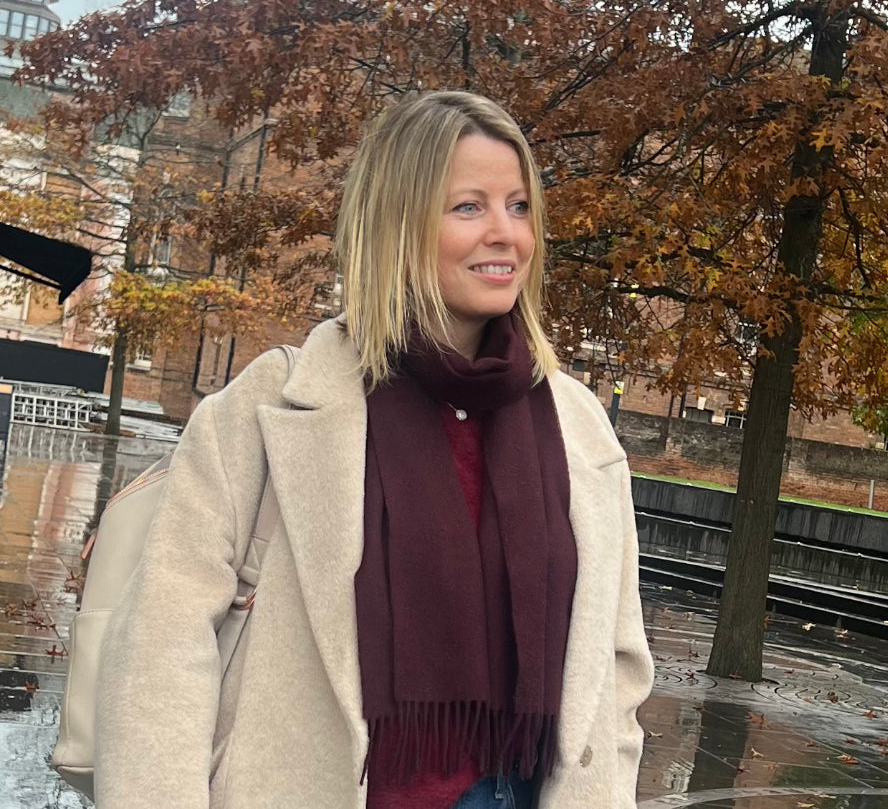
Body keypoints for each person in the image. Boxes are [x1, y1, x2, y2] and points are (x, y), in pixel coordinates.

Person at [94, 91, 654, 808]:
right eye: (468, 207)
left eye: (519, 207)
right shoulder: (270, 407)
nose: (505, 234)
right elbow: (160, 647)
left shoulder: (579, 430)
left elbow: (618, 667)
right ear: (397, 224)